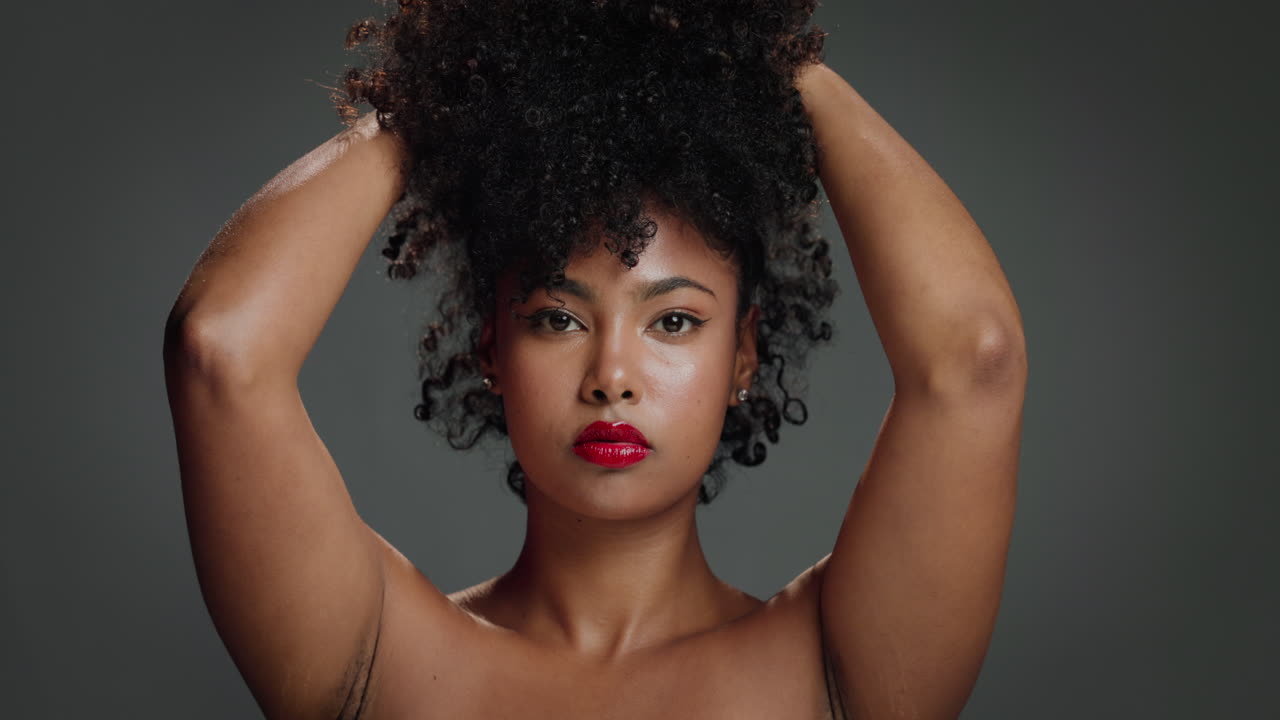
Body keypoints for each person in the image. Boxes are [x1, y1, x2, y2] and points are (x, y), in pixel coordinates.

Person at [163, 2, 1026, 718]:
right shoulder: (378, 652)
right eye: (556, 319)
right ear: (491, 351)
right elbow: (220, 348)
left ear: (743, 357)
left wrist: (758, 56)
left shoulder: (841, 670)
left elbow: (973, 358)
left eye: (676, 322)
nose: (611, 373)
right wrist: (449, 96)